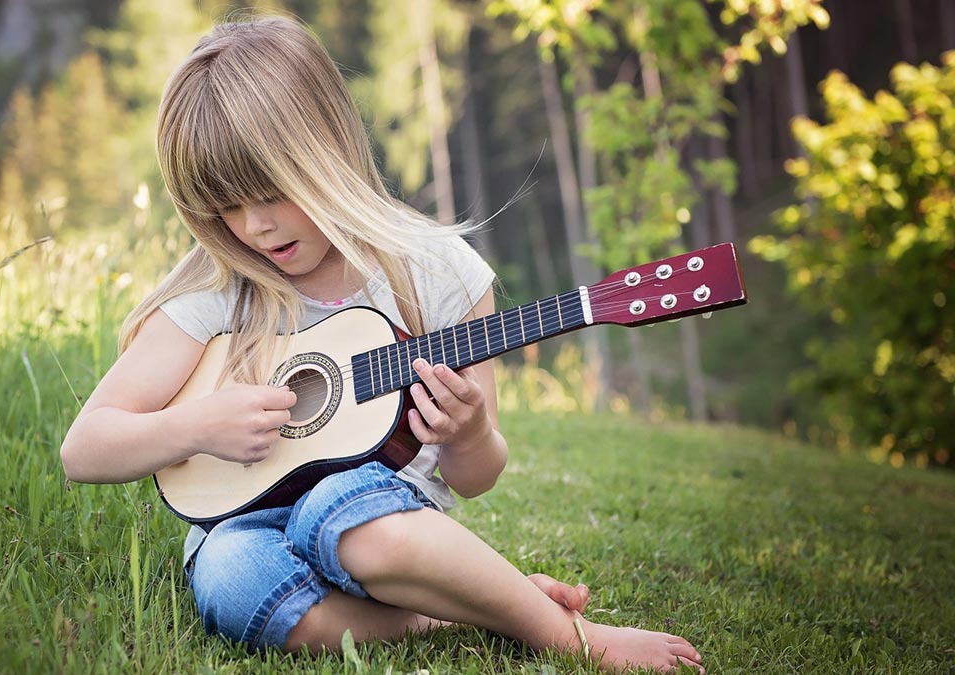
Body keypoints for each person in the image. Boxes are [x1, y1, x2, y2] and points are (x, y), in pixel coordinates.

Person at [60, 15, 704, 674]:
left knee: (339, 509)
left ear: (326, 149)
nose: (254, 225)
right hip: (245, 523)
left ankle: (571, 636)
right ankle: (463, 608)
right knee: (227, 578)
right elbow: (84, 448)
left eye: (272, 192)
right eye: (226, 206)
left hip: (382, 520)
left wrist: (469, 432)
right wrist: (194, 425)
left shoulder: (435, 271)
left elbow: (474, 477)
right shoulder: (219, 291)